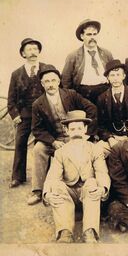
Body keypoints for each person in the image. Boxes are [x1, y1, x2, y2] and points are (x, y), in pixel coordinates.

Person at [29, 64, 97, 205]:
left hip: (75, 135)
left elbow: (91, 108)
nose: (51, 84)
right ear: (42, 84)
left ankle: (87, 188)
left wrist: (86, 133)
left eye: (53, 80)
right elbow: (37, 129)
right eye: (46, 81)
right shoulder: (38, 104)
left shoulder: (70, 94)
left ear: (59, 81)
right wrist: (53, 141)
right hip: (55, 139)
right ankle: (38, 191)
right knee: (38, 149)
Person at [42, 110, 110, 243]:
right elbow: (52, 176)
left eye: (80, 128)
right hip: (69, 197)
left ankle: (89, 231)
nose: (76, 132)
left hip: (89, 196)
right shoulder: (60, 152)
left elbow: (102, 172)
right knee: (57, 185)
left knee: (91, 182)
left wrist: (103, 188)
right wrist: (47, 194)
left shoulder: (94, 149)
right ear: (67, 131)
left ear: (85, 129)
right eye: (72, 129)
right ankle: (65, 232)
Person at [7, 38, 47, 188]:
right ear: (23, 53)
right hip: (24, 116)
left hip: (44, 116)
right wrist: (15, 115)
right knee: (20, 143)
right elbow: (11, 99)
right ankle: (18, 177)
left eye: (35, 49)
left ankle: (45, 178)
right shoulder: (16, 74)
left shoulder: (46, 69)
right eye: (29, 49)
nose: (33, 52)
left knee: (43, 145)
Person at [97, 59, 128, 156]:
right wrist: (110, 139)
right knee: (97, 149)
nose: (115, 78)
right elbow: (101, 126)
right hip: (112, 139)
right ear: (108, 78)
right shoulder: (102, 98)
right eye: (112, 75)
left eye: (118, 75)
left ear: (124, 76)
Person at [61, 19, 113, 103]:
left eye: (94, 34)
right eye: (89, 34)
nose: (92, 37)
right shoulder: (73, 56)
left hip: (105, 92)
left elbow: (114, 74)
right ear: (82, 36)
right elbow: (66, 80)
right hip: (83, 94)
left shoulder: (107, 54)